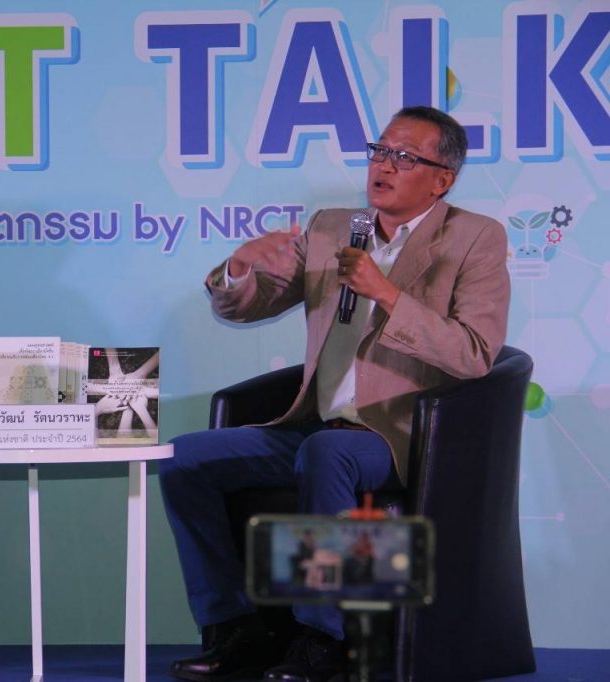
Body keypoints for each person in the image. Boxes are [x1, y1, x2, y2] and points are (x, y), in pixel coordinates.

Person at [159, 106, 510, 682]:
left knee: (326, 453)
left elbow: (474, 352)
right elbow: (248, 306)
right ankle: (234, 626)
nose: (384, 165)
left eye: (404, 157)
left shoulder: (474, 237)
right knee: (184, 458)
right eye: (380, 150)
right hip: (316, 424)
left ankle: (323, 638)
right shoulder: (332, 227)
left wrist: (386, 293)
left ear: (442, 179)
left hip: (401, 435)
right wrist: (240, 268)